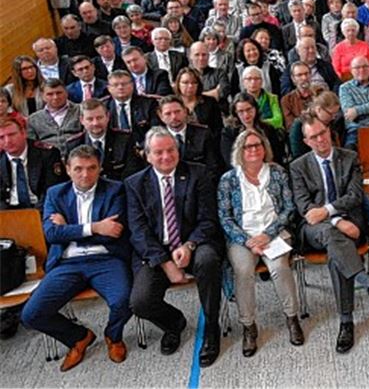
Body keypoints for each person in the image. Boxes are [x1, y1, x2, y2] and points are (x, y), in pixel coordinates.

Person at [20, 146, 132, 372]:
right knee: (31, 314)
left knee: (125, 300)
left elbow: (115, 234)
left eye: (91, 168)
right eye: (78, 169)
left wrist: (69, 231)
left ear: (100, 168)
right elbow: (51, 234)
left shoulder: (116, 190)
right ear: (68, 169)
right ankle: (79, 337)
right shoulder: (55, 194)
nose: (85, 174)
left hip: (106, 259)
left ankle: (113, 336)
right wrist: (96, 228)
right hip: (68, 263)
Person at [291, 113, 369, 354]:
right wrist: (336, 220)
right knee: (334, 237)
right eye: (313, 137)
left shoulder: (349, 158)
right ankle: (367, 284)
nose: (320, 139)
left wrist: (328, 212)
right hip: (315, 229)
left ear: (329, 131)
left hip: (348, 223)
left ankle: (346, 321)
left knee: (337, 252)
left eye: (322, 133)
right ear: (306, 141)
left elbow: (355, 196)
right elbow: (305, 207)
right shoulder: (298, 166)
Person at [126, 127, 224, 366]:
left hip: (195, 242)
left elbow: (208, 219)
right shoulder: (134, 184)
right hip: (156, 251)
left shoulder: (197, 174)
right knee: (140, 302)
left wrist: (189, 246)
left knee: (208, 261)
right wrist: (165, 262)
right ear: (147, 155)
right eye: (158, 152)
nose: (166, 156)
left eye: (171, 150)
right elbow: (138, 232)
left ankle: (211, 328)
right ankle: (173, 323)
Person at [217, 128, 304, 356]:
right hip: (242, 238)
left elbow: (288, 208)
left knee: (279, 268)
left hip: (274, 234)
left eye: (257, 145)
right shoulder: (228, 180)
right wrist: (248, 241)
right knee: (244, 270)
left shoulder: (277, 173)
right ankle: (249, 326)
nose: (253, 149)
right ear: (240, 151)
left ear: (264, 148)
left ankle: (292, 318)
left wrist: (268, 234)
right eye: (248, 146)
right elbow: (225, 218)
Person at [64, 100, 144, 182]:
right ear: (82, 120)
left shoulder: (125, 139)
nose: (95, 123)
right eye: (90, 119)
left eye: (99, 118)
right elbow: (70, 176)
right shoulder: (73, 145)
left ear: (107, 117)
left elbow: (132, 173)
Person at [26, 78, 82, 149]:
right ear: (43, 96)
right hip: (48, 157)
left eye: (59, 93)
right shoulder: (33, 119)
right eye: (50, 94)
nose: (55, 97)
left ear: (66, 93)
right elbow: (32, 146)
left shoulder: (81, 110)